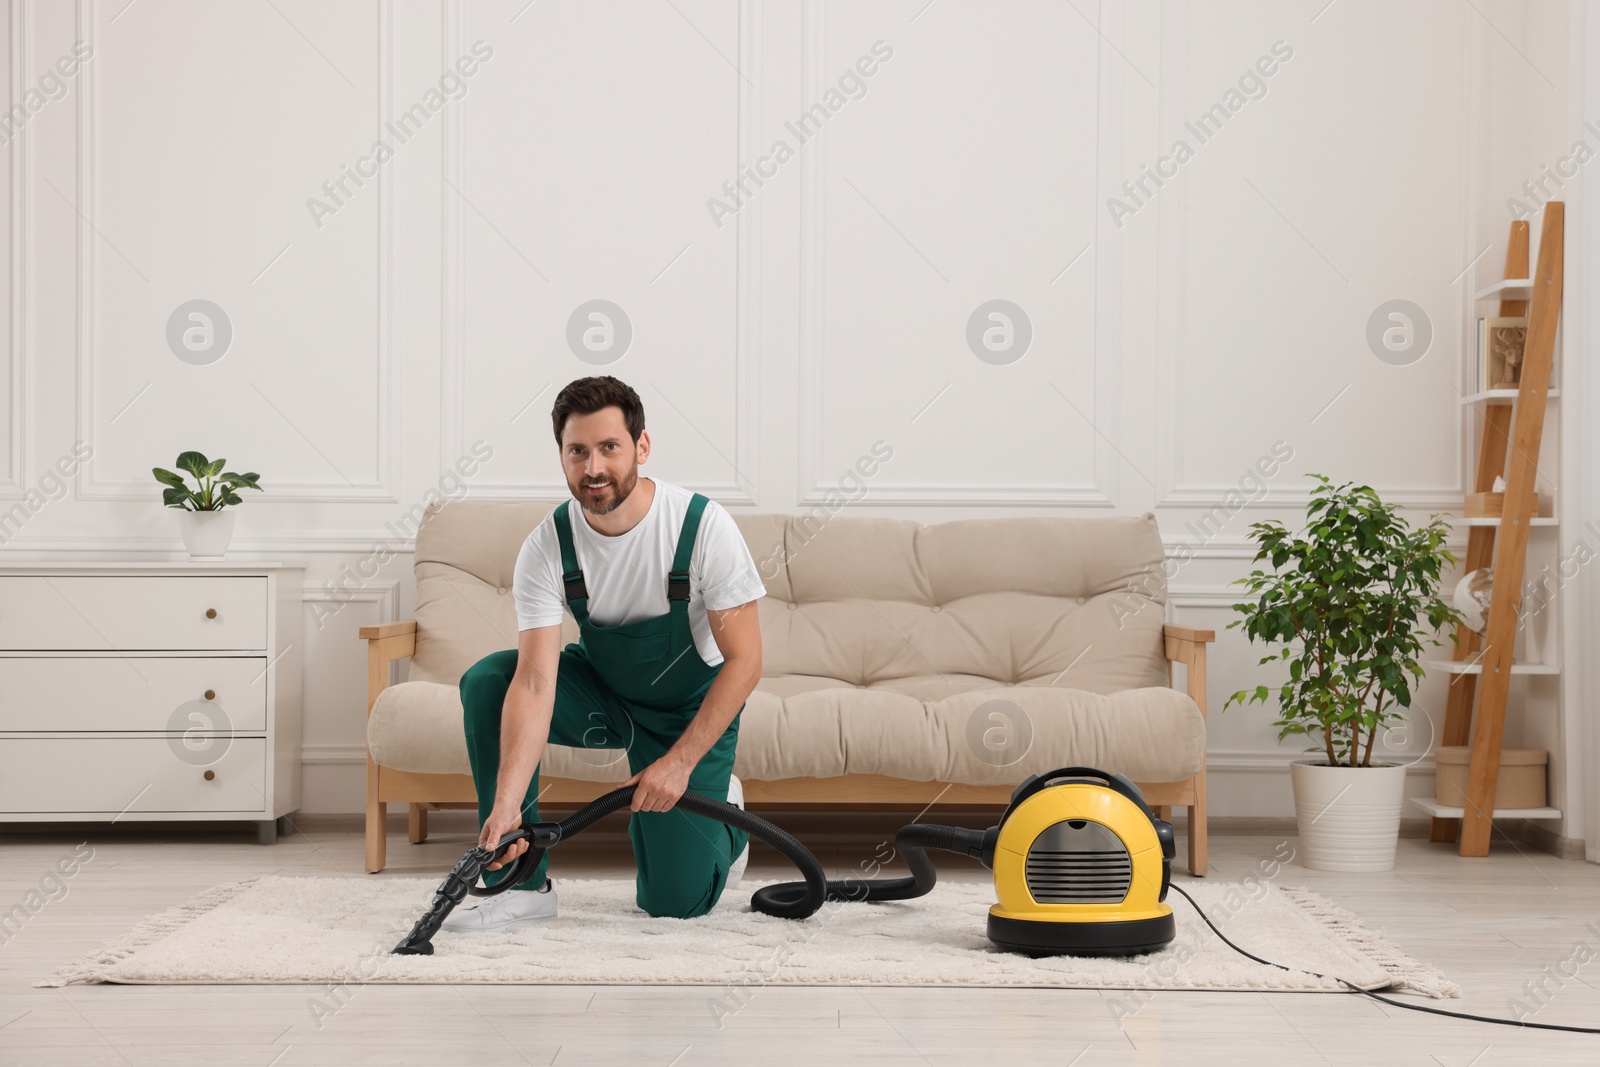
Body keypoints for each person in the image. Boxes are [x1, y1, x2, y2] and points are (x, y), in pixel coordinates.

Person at [444, 376, 766, 930]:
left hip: (684, 714)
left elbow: (746, 661)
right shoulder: (549, 544)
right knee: (487, 680)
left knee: (674, 903)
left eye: (609, 447)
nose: (594, 467)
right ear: (563, 457)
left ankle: (725, 820)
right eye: (578, 451)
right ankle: (522, 884)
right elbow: (534, 684)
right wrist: (507, 805)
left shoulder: (702, 527)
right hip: (605, 697)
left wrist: (680, 764)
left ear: (641, 447)